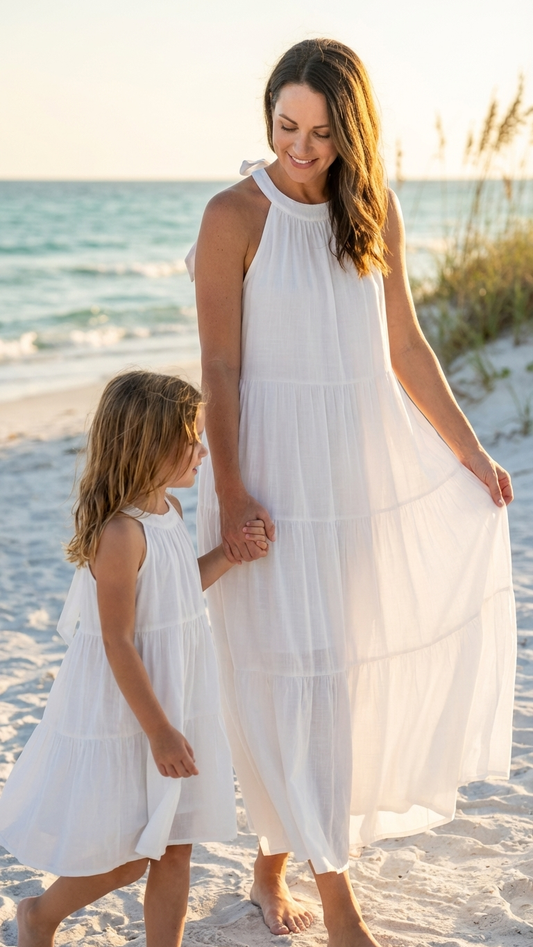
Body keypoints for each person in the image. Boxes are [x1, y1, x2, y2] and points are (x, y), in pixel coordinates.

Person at [191, 37, 517, 947]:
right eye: (285, 125)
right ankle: (338, 904)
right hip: (266, 478)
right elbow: (218, 368)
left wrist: (468, 450)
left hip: (356, 481)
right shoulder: (231, 217)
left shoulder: (371, 211)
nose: (300, 147)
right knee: (287, 677)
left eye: (322, 131)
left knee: (333, 680)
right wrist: (231, 489)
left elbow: (406, 349)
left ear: (351, 131)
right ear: (267, 119)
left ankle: (269, 869)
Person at [0, 370, 268, 947]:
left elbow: (171, 594)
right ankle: (40, 916)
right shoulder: (119, 534)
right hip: (133, 712)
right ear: (149, 445)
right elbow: (119, 639)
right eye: (190, 438)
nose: (202, 450)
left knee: (176, 845)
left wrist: (227, 554)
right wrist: (160, 732)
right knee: (124, 857)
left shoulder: (168, 509)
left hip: (177, 697)